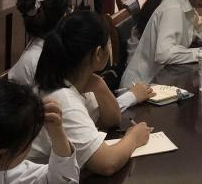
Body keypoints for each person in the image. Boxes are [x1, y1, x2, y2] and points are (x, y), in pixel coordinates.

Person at [27, 11, 150, 175]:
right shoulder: (63, 99)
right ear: (98, 53)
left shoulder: (77, 78)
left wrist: (100, 86)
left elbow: (112, 120)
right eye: (108, 44)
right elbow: (107, 163)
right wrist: (134, 137)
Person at [7, 0, 150, 111]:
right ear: (64, 18)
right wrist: (130, 97)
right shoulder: (43, 59)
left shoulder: (49, 50)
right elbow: (80, 111)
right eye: (71, 11)